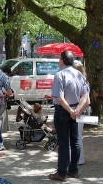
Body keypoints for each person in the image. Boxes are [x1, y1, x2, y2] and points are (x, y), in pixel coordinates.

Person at [49, 51, 90, 182]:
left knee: (64, 142)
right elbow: (86, 98)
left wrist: (71, 111)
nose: (58, 61)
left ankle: (62, 173)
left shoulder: (59, 75)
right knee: (75, 141)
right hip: (75, 109)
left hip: (63, 111)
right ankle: (73, 170)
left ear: (62, 60)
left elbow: (60, 98)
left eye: (59, 58)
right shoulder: (79, 74)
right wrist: (76, 111)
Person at [73, 62, 91, 165]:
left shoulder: (82, 82)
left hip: (79, 112)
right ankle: (79, 158)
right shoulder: (84, 81)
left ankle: (79, 159)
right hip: (81, 112)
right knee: (78, 136)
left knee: (77, 136)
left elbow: (86, 100)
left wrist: (78, 111)